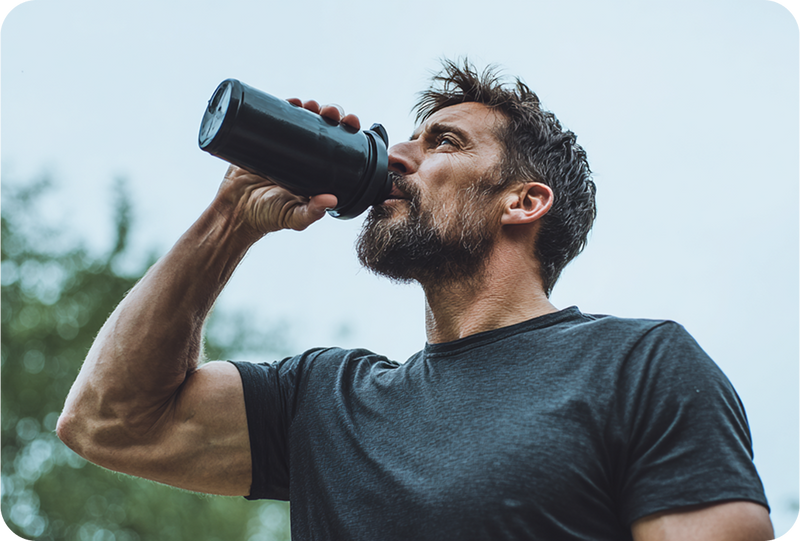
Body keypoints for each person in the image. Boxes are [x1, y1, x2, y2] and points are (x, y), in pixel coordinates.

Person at [57, 60, 773, 540]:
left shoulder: (639, 365)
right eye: (405, 142)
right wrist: (231, 218)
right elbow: (106, 421)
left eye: (443, 142)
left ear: (524, 201)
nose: (398, 158)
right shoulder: (324, 402)